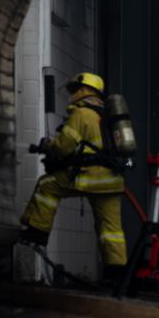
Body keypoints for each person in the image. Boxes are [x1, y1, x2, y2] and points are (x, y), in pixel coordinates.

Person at [19, 72, 127, 283]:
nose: (72, 94)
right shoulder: (105, 113)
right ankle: (117, 276)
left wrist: (48, 145)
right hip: (112, 181)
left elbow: (63, 147)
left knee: (47, 185)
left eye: (75, 90)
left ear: (84, 90)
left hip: (90, 177)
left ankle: (36, 232)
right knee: (111, 230)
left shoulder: (81, 114)